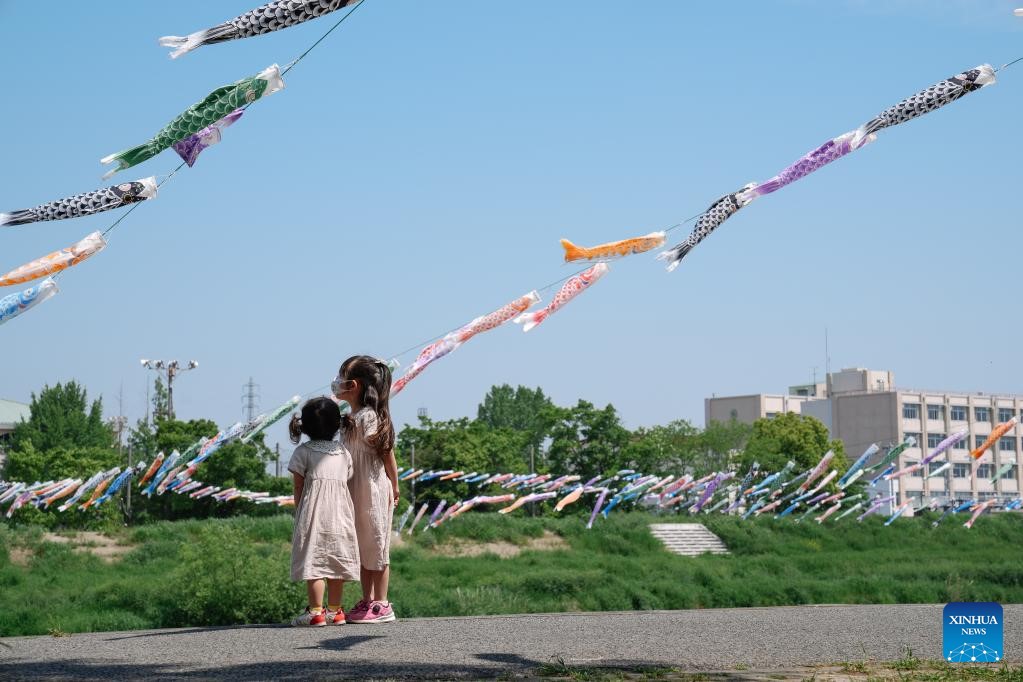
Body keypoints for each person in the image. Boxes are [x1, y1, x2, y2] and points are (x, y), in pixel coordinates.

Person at [335, 355, 400, 623]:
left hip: (373, 488)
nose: (337, 384)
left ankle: (382, 603)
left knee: (377, 543)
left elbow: (387, 454)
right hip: (354, 488)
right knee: (362, 546)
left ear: (356, 385)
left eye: (343, 379)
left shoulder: (369, 417)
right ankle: (367, 599)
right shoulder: (349, 417)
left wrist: (395, 485)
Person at [287, 397, 360, 626]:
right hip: (341, 514)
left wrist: (300, 510)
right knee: (336, 561)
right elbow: (346, 478)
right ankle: (336, 611)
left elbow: (299, 485)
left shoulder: (303, 452)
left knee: (315, 562)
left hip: (313, 513)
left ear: (305, 426)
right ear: (337, 425)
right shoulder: (343, 452)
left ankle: (316, 612)